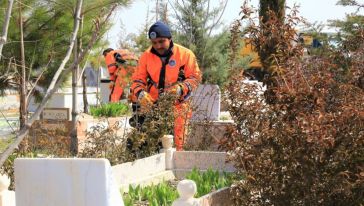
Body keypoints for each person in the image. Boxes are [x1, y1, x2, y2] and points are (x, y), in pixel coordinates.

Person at [130, 21, 201, 151]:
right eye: (154, 43)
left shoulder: (185, 54)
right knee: (145, 140)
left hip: (179, 103)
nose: (158, 46)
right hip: (152, 103)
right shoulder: (146, 56)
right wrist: (140, 94)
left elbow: (194, 78)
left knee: (179, 142)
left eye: (161, 41)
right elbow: (137, 80)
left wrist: (180, 89)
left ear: (170, 39)